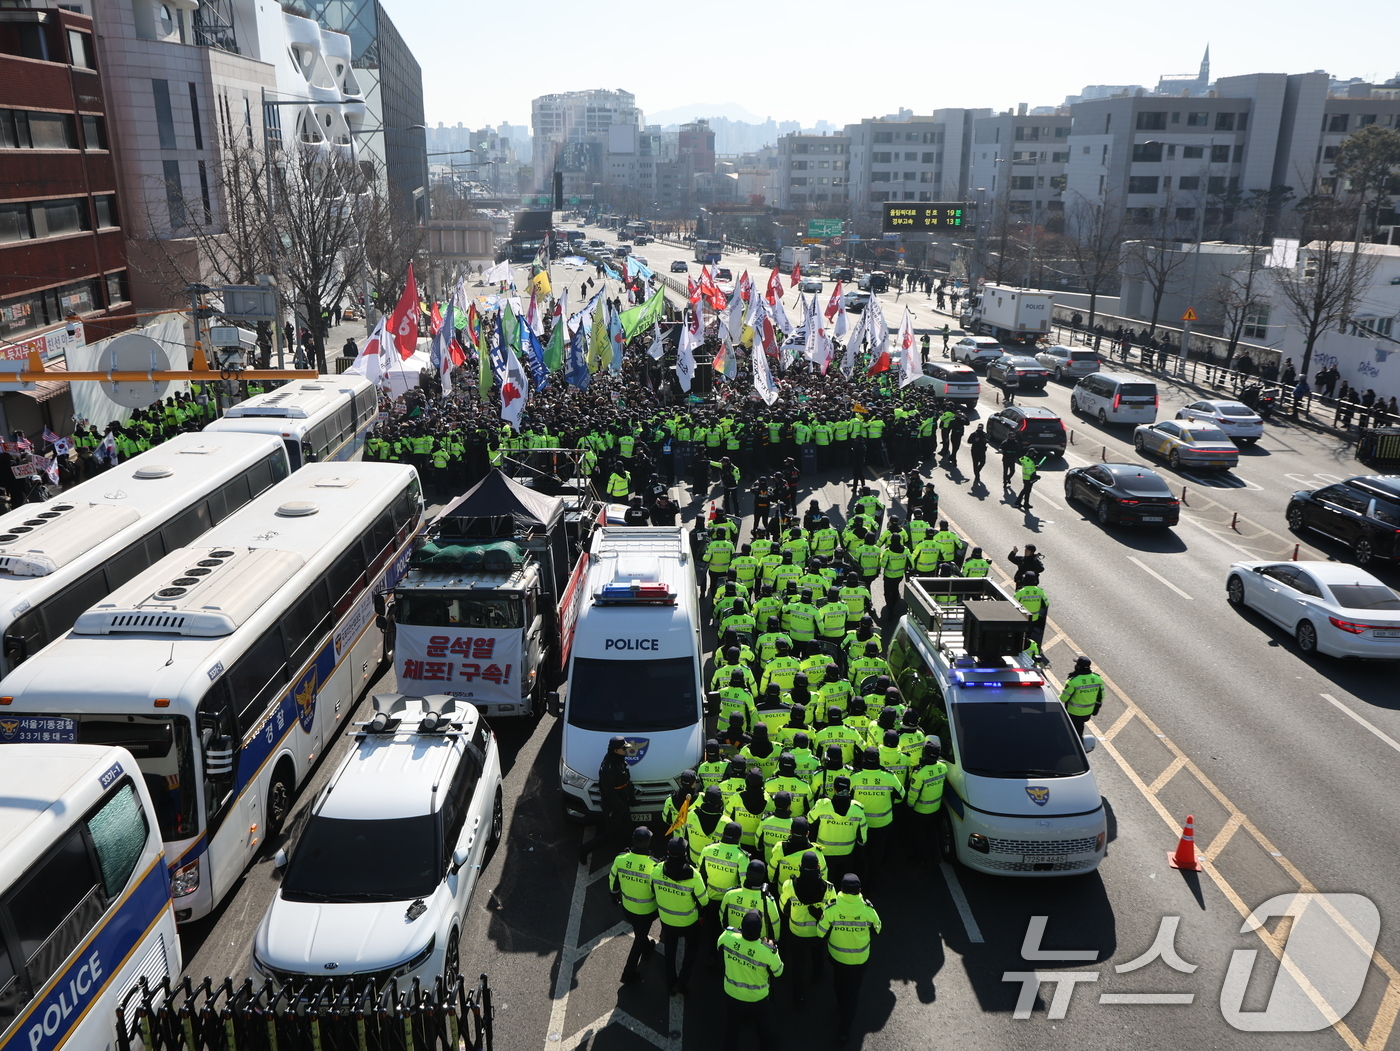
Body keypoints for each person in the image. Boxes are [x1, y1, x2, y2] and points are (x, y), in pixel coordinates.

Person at [818, 873, 882, 1042]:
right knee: (853, 993)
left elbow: (820, 932)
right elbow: (877, 929)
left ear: (842, 890)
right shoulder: (868, 910)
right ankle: (844, 1031)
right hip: (860, 960)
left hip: (837, 958)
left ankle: (840, 1005)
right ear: (859, 890)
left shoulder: (832, 909)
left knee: (838, 982)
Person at [717, 909, 784, 1051]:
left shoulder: (727, 937)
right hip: (757, 999)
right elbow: (778, 972)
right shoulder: (767, 952)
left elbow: (719, 947)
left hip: (732, 993)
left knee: (732, 1029)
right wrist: (774, 948)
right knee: (763, 1027)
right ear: (760, 931)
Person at [652, 836, 707, 996]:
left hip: (667, 921)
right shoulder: (694, 875)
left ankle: (670, 983)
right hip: (689, 922)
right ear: (685, 852)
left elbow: (652, 890)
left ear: (668, 852)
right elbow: (704, 900)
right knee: (692, 949)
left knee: (670, 952)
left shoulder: (657, 870)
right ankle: (682, 981)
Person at [779, 851, 835, 1005]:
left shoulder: (790, 885)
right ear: (818, 867)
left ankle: (799, 998)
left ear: (800, 866)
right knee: (818, 955)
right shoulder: (829, 888)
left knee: (798, 966)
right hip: (818, 932)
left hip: (797, 933)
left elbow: (783, 908)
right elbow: (833, 914)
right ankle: (818, 976)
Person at [609, 827, 659, 983]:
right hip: (647, 911)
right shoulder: (654, 865)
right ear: (649, 842)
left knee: (640, 932)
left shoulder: (620, 859)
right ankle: (628, 973)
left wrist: (614, 895)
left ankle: (647, 947)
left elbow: (613, 880)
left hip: (628, 908)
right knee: (639, 937)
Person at [580, 736, 634, 864]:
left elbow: (626, 781)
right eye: (623, 749)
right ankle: (584, 849)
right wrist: (620, 806)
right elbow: (609, 792)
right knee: (610, 834)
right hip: (613, 806)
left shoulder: (619, 761)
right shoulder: (608, 767)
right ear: (616, 750)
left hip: (622, 803)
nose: (626, 751)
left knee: (628, 829)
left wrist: (631, 798)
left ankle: (627, 856)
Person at [1060, 654, 1105, 735]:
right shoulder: (1097, 679)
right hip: (1088, 713)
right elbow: (1101, 696)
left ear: (1079, 666)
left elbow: (1063, 699)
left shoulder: (1073, 681)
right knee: (1079, 731)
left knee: (1068, 733)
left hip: (1073, 713)